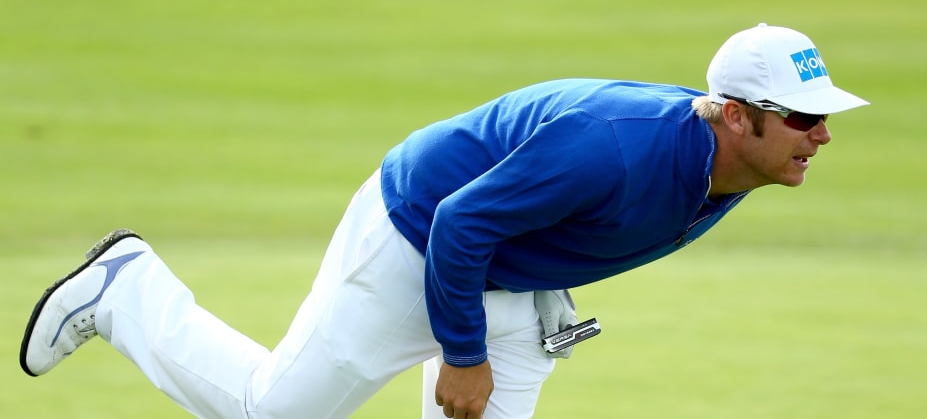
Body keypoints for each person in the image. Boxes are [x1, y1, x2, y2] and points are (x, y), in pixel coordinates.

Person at [20, 23, 868, 419]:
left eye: (821, 117)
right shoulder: (611, 147)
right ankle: (126, 289)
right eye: (799, 119)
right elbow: (463, 224)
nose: (820, 135)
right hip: (420, 231)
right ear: (729, 114)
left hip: (511, 271)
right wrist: (460, 358)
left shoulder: (739, 165)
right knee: (273, 416)